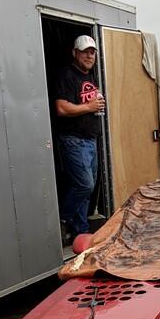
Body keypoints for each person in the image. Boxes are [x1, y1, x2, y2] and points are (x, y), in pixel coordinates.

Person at [55, 35, 106, 242]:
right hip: (73, 140)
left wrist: (97, 102)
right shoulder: (67, 75)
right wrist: (89, 107)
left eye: (92, 52)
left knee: (86, 190)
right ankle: (63, 219)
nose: (89, 56)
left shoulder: (92, 76)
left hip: (90, 140)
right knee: (85, 185)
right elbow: (61, 108)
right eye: (85, 52)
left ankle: (81, 231)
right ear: (74, 53)